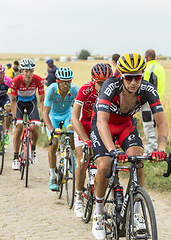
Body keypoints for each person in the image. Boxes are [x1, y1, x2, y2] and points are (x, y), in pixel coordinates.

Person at [90, 53, 168, 240]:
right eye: (129, 77)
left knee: (138, 158)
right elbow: (101, 121)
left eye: (138, 77)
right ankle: (99, 212)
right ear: (121, 75)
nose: (134, 82)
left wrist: (162, 148)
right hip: (104, 125)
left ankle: (137, 210)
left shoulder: (147, 88)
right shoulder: (110, 85)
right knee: (104, 165)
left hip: (126, 126)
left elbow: (161, 120)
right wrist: (112, 150)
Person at [71, 63, 113, 218]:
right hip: (84, 125)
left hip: (100, 126)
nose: (103, 87)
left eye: (106, 83)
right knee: (82, 160)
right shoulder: (85, 90)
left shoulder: (113, 91)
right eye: (100, 83)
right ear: (93, 80)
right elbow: (74, 117)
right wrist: (85, 139)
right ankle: (78, 198)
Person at [42, 67, 79, 191]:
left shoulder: (75, 90)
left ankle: (72, 157)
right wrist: (52, 129)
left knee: (72, 133)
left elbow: (80, 109)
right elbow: (45, 113)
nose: (66, 84)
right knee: (54, 143)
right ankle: (52, 176)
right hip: (53, 116)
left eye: (68, 81)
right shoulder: (51, 90)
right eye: (63, 82)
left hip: (68, 114)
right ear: (58, 82)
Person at [11, 58, 45, 170]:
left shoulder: (38, 80)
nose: (29, 74)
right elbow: (13, 100)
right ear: (22, 71)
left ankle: (33, 149)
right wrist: (14, 117)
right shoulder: (16, 80)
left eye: (31, 71)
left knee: (35, 128)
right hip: (19, 103)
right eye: (26, 71)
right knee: (19, 128)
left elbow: (41, 100)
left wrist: (43, 116)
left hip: (32, 103)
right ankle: (16, 157)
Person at [141, 49, 166, 155]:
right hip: (157, 100)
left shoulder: (148, 68)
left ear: (146, 58)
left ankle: (151, 148)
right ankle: (154, 146)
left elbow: (143, 86)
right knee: (156, 124)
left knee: (148, 124)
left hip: (147, 102)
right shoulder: (160, 67)